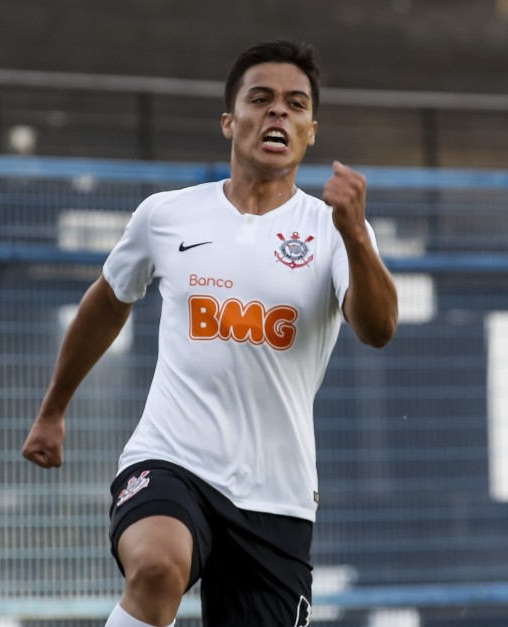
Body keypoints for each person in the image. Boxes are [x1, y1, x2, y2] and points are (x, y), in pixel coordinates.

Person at [21, 40, 398, 627]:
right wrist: (53, 410)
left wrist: (353, 234)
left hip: (277, 498)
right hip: (171, 463)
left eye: (296, 105)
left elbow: (378, 329)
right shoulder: (166, 215)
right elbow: (107, 302)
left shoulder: (333, 231)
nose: (279, 113)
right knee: (156, 568)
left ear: (311, 131)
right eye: (262, 99)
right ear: (229, 121)